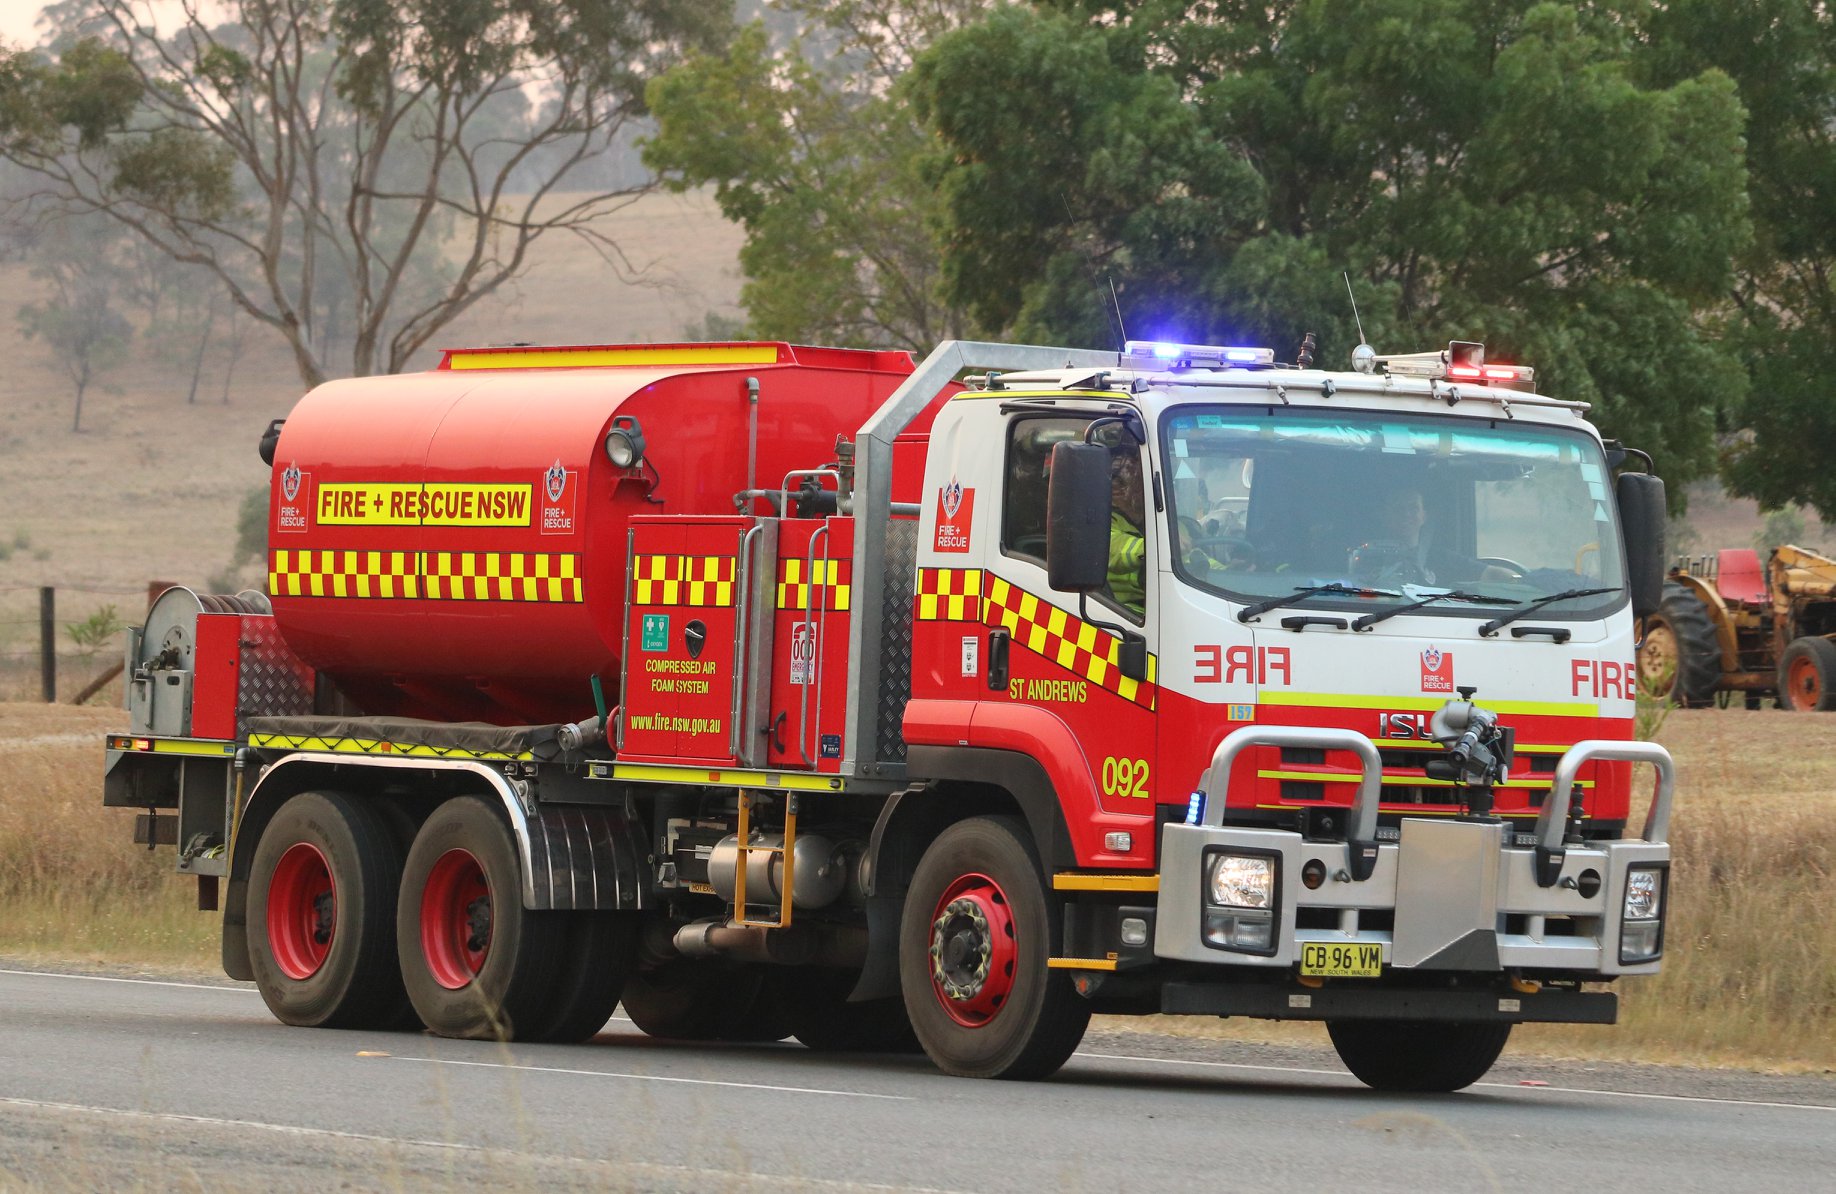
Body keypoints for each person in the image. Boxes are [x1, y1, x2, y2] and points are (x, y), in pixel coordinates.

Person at [1107, 451, 1148, 611]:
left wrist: (1224, 571)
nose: (1141, 488)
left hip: (1167, 601)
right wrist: (1154, 548)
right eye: (1137, 482)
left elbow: (1191, 556)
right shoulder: (1103, 521)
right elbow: (1111, 549)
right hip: (1121, 609)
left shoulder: (1162, 521)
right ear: (1116, 489)